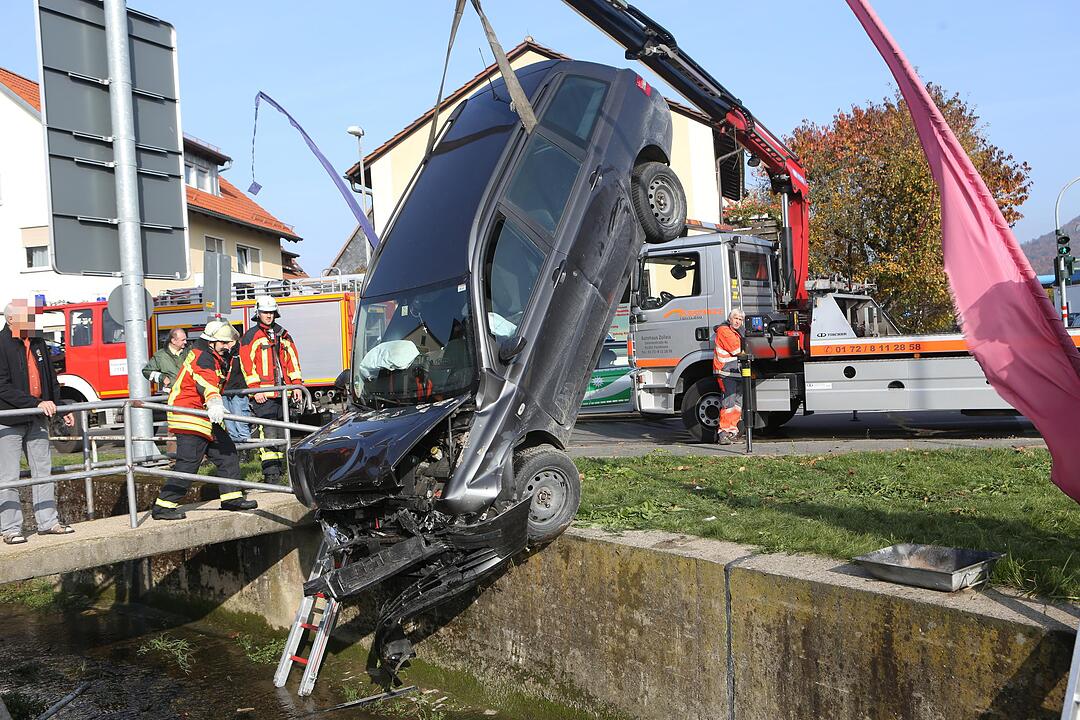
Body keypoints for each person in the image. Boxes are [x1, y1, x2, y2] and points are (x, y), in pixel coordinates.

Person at [151, 320, 257, 520]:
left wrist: (213, 403)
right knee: (189, 462)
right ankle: (163, 506)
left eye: (228, 343)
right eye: (224, 343)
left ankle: (231, 498)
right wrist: (215, 402)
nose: (228, 347)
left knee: (227, 454)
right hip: (189, 413)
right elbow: (205, 381)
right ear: (211, 342)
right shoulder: (204, 358)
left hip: (203, 413)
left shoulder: (212, 355)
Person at [0, 300, 75, 544]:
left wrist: (60, 407)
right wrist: (34, 403)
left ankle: (48, 522)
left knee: (43, 473)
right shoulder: (0, 344)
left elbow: (50, 380)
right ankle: (10, 529)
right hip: (9, 420)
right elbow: (2, 386)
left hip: (37, 418)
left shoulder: (39, 342)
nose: (32, 322)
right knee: (9, 477)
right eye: (26, 317)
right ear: (11, 320)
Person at [239, 297, 302, 484]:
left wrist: (297, 384)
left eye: (271, 312)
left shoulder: (283, 334)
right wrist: (255, 390)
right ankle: (271, 474)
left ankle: (282, 470)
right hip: (263, 396)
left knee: (284, 434)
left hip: (284, 394)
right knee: (268, 433)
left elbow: (292, 360)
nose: (268, 315)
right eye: (265, 312)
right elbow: (247, 365)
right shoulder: (251, 337)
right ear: (258, 313)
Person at [712, 308, 746, 445]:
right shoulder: (724, 331)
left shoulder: (736, 332)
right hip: (726, 372)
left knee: (737, 404)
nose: (738, 321)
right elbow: (737, 350)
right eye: (736, 318)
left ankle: (732, 431)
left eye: (740, 319)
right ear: (730, 319)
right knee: (729, 403)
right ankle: (723, 432)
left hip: (735, 372)